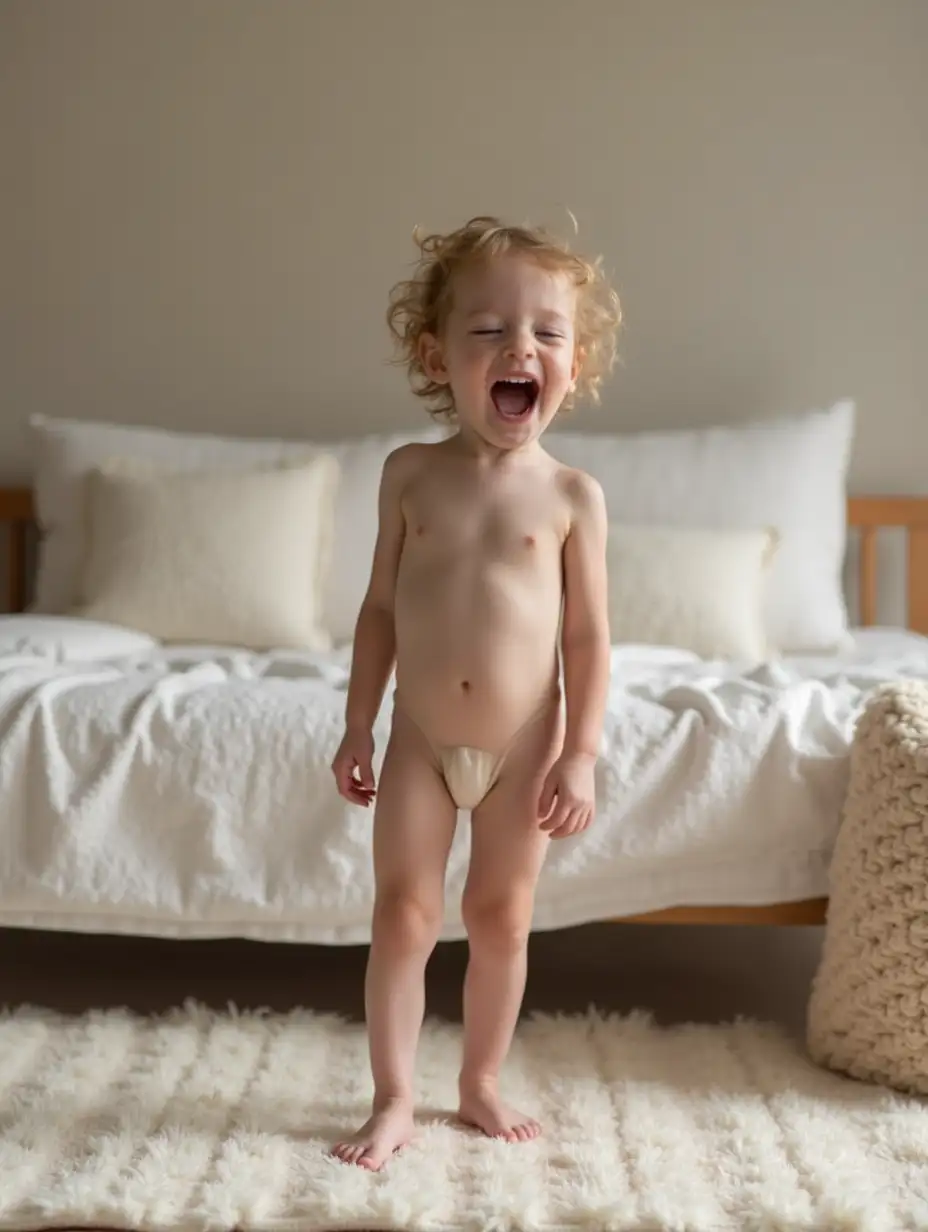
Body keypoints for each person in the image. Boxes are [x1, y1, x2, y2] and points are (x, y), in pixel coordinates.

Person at [330, 216, 621, 1171]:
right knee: (403, 913)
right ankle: (393, 1096)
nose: (520, 349)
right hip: (418, 734)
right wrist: (357, 723)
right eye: (489, 330)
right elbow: (378, 608)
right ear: (438, 355)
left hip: (526, 740)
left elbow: (586, 636)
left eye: (546, 333)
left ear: (571, 366)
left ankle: (481, 1081)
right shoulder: (409, 475)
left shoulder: (573, 495)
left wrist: (580, 750)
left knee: (500, 915)